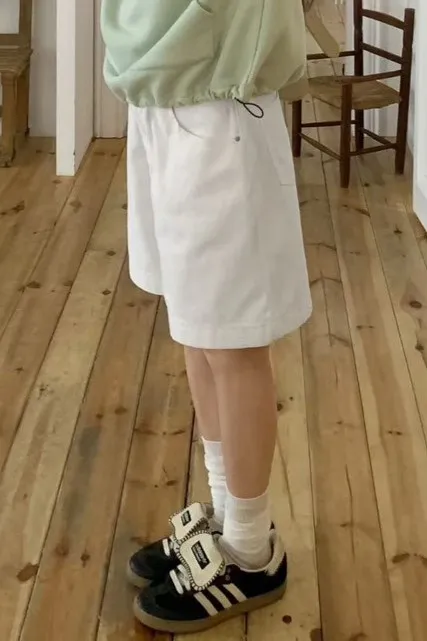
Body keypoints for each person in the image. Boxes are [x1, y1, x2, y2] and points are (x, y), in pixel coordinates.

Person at [100, 0, 324, 634]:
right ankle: (227, 517)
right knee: (196, 329)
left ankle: (251, 551)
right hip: (157, 93)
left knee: (232, 342)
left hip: (220, 105)